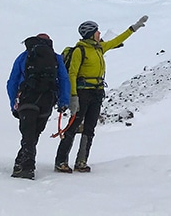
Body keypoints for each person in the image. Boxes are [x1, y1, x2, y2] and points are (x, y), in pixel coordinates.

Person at [54, 15, 147, 173]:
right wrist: (73, 96)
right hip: (83, 92)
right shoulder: (80, 50)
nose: (99, 34)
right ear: (90, 33)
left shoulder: (99, 48)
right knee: (74, 125)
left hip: (97, 92)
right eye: (97, 31)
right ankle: (61, 161)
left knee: (90, 127)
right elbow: (72, 74)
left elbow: (116, 41)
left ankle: (81, 161)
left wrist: (133, 28)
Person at [7, 33, 71, 180]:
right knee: (34, 133)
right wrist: (63, 101)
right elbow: (64, 79)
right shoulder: (56, 57)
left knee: (28, 133)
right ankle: (20, 163)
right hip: (47, 99)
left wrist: (13, 104)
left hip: (27, 98)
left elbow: (12, 81)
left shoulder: (24, 56)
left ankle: (27, 167)